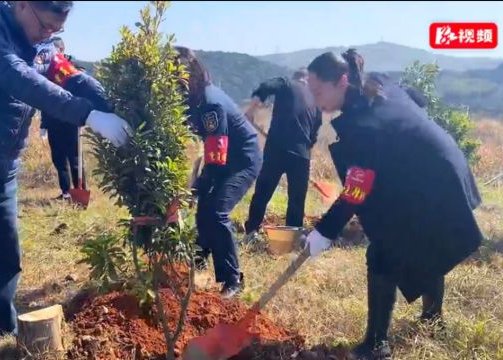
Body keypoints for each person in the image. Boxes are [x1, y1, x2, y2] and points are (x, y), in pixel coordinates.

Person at [0, 2, 132, 359]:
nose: (48, 35)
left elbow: (68, 74)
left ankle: (1, 335)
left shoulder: (42, 43)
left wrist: (113, 104)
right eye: (46, 25)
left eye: (57, 30)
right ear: (22, 4)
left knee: (6, 255)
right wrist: (88, 116)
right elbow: (21, 80)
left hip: (3, 163)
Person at [303, 49, 483, 359]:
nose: (313, 97)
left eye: (318, 90)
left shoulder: (360, 125)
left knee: (383, 251)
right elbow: (417, 99)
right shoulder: (378, 85)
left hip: (431, 181)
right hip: (440, 171)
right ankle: (432, 319)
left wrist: (324, 231)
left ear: (342, 81)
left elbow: (356, 191)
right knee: (429, 242)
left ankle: (376, 345)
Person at [174, 46, 263, 299]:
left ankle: (233, 279)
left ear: (191, 76)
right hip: (222, 158)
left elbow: (216, 157)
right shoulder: (192, 100)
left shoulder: (210, 103)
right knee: (205, 210)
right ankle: (197, 262)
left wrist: (197, 187)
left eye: (179, 80)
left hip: (242, 160)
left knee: (216, 211)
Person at [242, 68, 322, 243]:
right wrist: (306, 152)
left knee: (262, 193)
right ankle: (291, 239)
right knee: (297, 199)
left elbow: (265, 87)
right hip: (301, 155)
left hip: (277, 149)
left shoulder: (286, 83)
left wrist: (250, 110)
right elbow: (315, 131)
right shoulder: (316, 101)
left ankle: (251, 232)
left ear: (296, 78)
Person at [36, 37, 105, 200]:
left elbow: (84, 88)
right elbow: (45, 99)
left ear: (61, 50)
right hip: (53, 121)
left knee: (75, 157)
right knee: (58, 158)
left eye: (55, 51)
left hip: (71, 122)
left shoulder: (74, 69)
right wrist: (43, 125)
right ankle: (66, 192)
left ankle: (80, 190)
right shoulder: (47, 72)